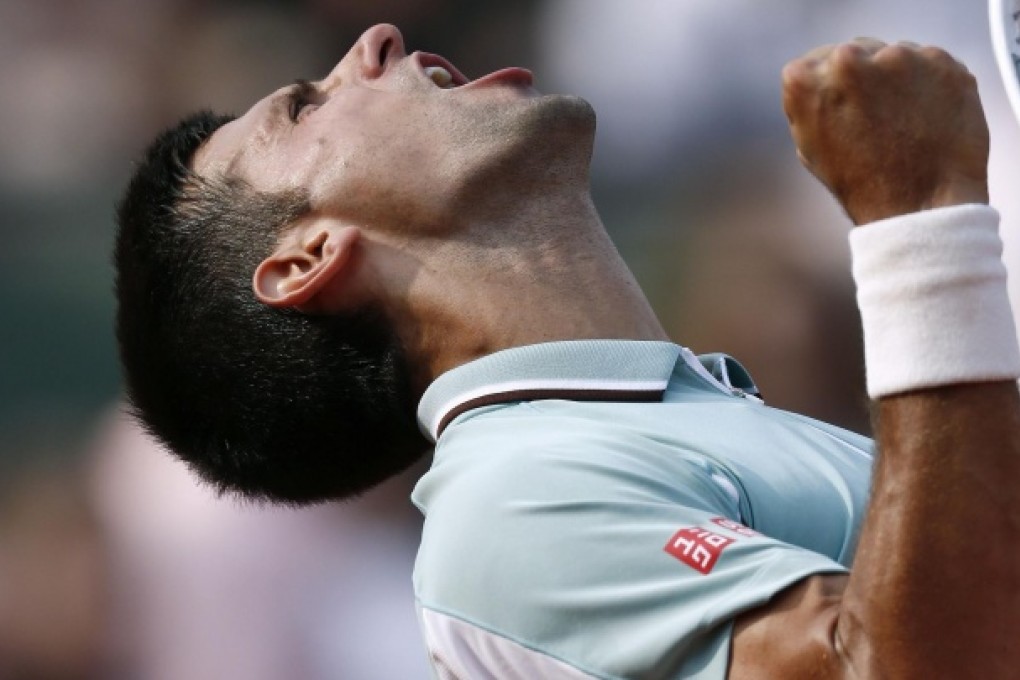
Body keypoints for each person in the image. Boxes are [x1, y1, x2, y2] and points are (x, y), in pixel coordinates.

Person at [114, 24, 1020, 678]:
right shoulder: (514, 506)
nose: (376, 41)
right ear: (309, 257)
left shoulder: (630, 441)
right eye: (307, 107)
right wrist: (920, 227)